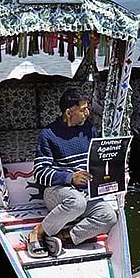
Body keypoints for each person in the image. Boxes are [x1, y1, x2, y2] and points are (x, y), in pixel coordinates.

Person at [27, 88, 118, 259]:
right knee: (77, 203)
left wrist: (116, 167)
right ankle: (37, 233)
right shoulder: (49, 134)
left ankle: (64, 237)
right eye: (83, 109)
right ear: (69, 112)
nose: (87, 112)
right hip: (58, 192)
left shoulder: (89, 130)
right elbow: (40, 172)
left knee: (109, 216)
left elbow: (97, 160)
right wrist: (70, 177)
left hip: (85, 193)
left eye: (88, 108)